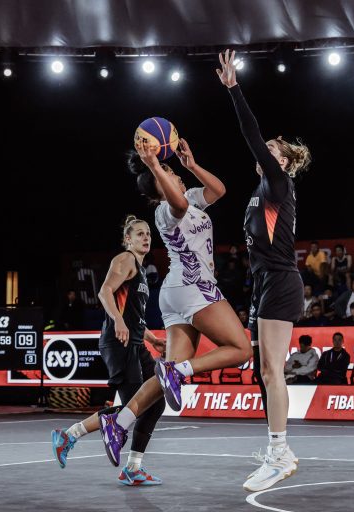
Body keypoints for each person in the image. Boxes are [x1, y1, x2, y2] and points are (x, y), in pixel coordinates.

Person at [100, 137, 252, 471]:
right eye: (168, 173)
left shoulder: (192, 199)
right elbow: (178, 206)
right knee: (242, 349)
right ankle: (176, 369)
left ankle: (119, 423)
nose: (176, 175)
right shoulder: (165, 210)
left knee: (168, 376)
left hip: (177, 292)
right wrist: (155, 164)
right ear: (159, 185)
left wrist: (191, 165)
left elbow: (220, 190)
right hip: (193, 286)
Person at [219, 49, 310, 491]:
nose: (267, 151)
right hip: (264, 286)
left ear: (285, 162)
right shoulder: (258, 192)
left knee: (273, 370)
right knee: (265, 372)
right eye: (268, 151)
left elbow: (252, 134)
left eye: (275, 150)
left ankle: (279, 452)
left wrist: (235, 90)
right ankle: (279, 447)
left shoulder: (278, 182)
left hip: (281, 282)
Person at [51, 215, 167, 486]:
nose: (146, 237)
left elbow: (134, 316)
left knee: (156, 400)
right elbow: (104, 292)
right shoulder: (124, 260)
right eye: (139, 234)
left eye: (148, 233)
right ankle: (68, 436)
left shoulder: (140, 269)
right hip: (119, 343)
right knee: (132, 407)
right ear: (127, 239)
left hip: (136, 343)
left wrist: (152, 339)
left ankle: (133, 467)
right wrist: (116, 319)